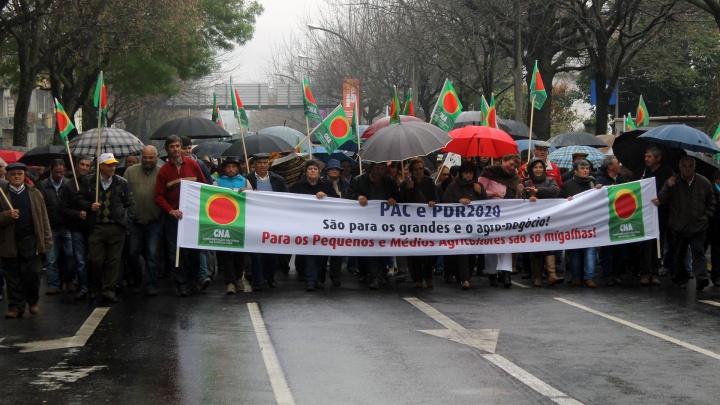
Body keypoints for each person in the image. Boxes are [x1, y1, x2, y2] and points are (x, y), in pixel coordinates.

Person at [156, 135, 207, 297]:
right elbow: (158, 195)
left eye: (178, 146)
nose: (176, 149)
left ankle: (194, 281)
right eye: (172, 146)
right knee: (175, 253)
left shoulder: (193, 165)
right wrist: (170, 210)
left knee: (194, 251)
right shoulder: (163, 170)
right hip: (173, 218)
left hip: (192, 218)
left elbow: (204, 187)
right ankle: (181, 283)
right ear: (167, 149)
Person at [654, 156, 715, 290]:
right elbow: (660, 199)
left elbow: (711, 202)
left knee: (698, 252)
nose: (687, 169)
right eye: (684, 166)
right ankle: (681, 277)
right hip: (678, 226)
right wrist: (668, 187)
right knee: (679, 254)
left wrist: (705, 216)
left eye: (690, 166)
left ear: (694, 167)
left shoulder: (704, 182)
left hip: (698, 226)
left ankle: (701, 278)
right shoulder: (673, 181)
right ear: (680, 167)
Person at [0, 162, 52, 318]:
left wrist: (47, 239)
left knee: (32, 274)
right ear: (7, 176)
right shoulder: (2, 194)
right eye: (13, 174)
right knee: (13, 275)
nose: (16, 176)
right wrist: (6, 216)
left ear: (24, 176)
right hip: (9, 241)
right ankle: (16, 306)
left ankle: (33, 301)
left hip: (30, 240)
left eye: (19, 174)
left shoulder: (35, 194)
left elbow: (44, 218)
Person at [82, 153, 135, 303]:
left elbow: (130, 204)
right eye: (109, 165)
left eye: (114, 164)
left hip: (116, 227)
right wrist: (89, 206)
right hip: (96, 227)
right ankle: (94, 288)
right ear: (101, 166)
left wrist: (125, 221)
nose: (113, 167)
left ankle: (108, 290)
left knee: (113, 261)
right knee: (95, 260)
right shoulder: (89, 181)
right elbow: (80, 199)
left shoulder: (121, 182)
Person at [346, 161, 399, 289]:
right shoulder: (359, 180)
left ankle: (378, 275)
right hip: (365, 220)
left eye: (382, 168)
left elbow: (398, 195)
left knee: (380, 247)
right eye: (377, 168)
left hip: (384, 221)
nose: (380, 171)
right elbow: (349, 194)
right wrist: (358, 196)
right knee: (367, 247)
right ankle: (371, 273)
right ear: (371, 168)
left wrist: (394, 198)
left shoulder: (390, 181)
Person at [290, 160, 338, 291]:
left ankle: (319, 278)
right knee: (310, 252)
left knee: (322, 254)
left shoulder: (327, 184)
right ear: (306, 172)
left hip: (323, 224)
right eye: (310, 168)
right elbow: (290, 202)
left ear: (319, 171)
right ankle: (310, 280)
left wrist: (326, 196)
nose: (312, 170)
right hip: (305, 223)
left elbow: (336, 200)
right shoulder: (298, 186)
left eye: (315, 169)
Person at [124, 146, 163, 296]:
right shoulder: (130, 172)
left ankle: (151, 284)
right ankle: (137, 280)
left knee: (152, 255)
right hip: (134, 222)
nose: (148, 160)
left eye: (151, 158)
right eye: (145, 157)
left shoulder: (162, 172)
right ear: (141, 156)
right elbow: (124, 195)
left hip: (154, 221)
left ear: (156, 157)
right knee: (133, 253)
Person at [245, 153, 288, 290]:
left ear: (268, 164)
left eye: (265, 163)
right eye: (259, 163)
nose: (262, 165)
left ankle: (270, 278)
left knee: (271, 252)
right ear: (254, 165)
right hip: (254, 219)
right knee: (256, 253)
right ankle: (258, 281)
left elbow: (286, 198)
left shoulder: (278, 179)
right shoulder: (247, 179)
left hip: (272, 220)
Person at [479, 154, 523, 288]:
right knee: (491, 243)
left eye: (515, 166)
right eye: (510, 164)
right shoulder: (488, 172)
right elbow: (479, 190)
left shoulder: (515, 178)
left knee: (506, 243)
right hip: (490, 214)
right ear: (502, 161)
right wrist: (491, 194)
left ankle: (506, 273)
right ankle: (492, 273)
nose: (512, 167)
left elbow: (517, 199)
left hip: (507, 215)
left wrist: (520, 192)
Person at [559, 159, 603, 288]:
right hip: (574, 222)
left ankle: (589, 277)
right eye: (582, 168)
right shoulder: (567, 185)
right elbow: (558, 200)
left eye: (587, 168)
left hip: (591, 221)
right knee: (575, 250)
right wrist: (565, 200)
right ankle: (576, 277)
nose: (585, 170)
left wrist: (598, 189)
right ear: (576, 170)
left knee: (590, 250)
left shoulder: (593, 183)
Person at [442, 160, 486, 289]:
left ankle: (467, 276)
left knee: (472, 253)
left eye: (471, 173)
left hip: (473, 225)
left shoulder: (478, 186)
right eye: (466, 173)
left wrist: (481, 193)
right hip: (457, 226)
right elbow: (445, 201)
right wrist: (458, 201)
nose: (468, 176)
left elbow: (487, 206)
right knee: (461, 251)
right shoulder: (453, 186)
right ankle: (464, 278)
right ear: (461, 174)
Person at [213, 156, 252, 294]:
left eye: (233, 166)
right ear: (224, 169)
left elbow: (252, 200)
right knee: (226, 255)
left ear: (238, 168)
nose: (231, 169)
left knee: (239, 254)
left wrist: (246, 192)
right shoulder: (217, 183)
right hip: (224, 223)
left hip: (240, 223)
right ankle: (230, 282)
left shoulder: (245, 181)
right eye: (228, 167)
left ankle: (238, 279)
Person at [58, 155, 94, 300]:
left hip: (92, 228)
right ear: (77, 165)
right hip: (76, 228)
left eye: (87, 165)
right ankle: (83, 287)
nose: (84, 168)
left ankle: (93, 286)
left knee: (93, 259)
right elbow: (61, 208)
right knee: (79, 259)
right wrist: (77, 213)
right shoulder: (68, 186)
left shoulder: (93, 183)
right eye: (82, 165)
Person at [399, 158, 439, 289]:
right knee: (415, 251)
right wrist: (408, 189)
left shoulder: (430, 182)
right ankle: (417, 278)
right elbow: (401, 204)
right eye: (415, 169)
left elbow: (436, 198)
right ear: (410, 171)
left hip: (427, 223)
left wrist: (433, 202)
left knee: (429, 251)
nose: (419, 171)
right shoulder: (405, 184)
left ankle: (428, 276)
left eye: (421, 168)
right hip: (412, 223)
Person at [523, 157, 563, 287]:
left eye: (540, 167)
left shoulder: (550, 180)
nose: (538, 170)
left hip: (549, 219)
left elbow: (555, 191)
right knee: (536, 248)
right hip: (534, 220)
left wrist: (538, 191)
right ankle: (537, 276)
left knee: (549, 245)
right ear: (531, 169)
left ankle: (551, 274)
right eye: (535, 167)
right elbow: (521, 199)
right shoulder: (527, 183)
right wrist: (529, 197)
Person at [37, 159, 75, 295]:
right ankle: (53, 284)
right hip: (51, 227)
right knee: (51, 259)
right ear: (51, 171)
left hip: (67, 226)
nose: (59, 175)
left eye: (61, 172)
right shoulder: (43, 185)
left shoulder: (69, 184)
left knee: (71, 256)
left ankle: (69, 280)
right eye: (56, 172)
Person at [636, 146, 673, 285]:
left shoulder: (667, 173)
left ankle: (655, 271)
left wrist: (662, 198)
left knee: (658, 244)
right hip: (646, 213)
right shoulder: (644, 171)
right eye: (645, 156)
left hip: (661, 214)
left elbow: (671, 194)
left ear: (658, 158)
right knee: (645, 243)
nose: (646, 159)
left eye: (649, 157)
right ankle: (645, 272)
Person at [594, 155, 627, 286]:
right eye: (617, 163)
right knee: (607, 249)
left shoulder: (621, 178)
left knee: (621, 248)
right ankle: (607, 274)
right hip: (606, 218)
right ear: (610, 166)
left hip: (620, 217)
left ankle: (617, 273)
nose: (619, 166)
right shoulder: (600, 179)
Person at [322, 159, 351, 286]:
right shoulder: (321, 183)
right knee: (323, 248)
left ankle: (335, 275)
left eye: (337, 169)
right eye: (332, 169)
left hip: (340, 219)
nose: (334, 171)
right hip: (324, 218)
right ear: (327, 171)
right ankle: (321, 275)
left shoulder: (345, 184)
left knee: (337, 247)